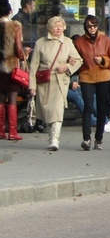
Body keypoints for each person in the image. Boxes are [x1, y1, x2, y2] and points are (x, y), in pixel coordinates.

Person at [29, 16, 82, 151]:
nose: (58, 28)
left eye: (61, 26)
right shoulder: (40, 43)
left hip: (60, 81)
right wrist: (32, 86)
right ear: (50, 28)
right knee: (47, 112)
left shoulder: (68, 42)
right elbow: (33, 66)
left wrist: (67, 67)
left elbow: (78, 59)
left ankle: (54, 140)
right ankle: (50, 138)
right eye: (55, 26)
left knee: (57, 110)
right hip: (44, 82)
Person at [72, 15, 110, 150]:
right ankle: (86, 139)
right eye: (89, 26)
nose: (92, 28)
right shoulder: (79, 42)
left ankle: (99, 139)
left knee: (102, 107)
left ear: (98, 26)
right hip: (86, 75)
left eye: (94, 25)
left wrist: (103, 60)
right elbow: (75, 58)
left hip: (104, 76)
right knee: (88, 106)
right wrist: (73, 62)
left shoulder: (106, 40)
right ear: (85, 27)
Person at [0, 0, 28, 141]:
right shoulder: (15, 26)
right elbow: (18, 49)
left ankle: (0, 131)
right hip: (10, 66)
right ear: (10, 11)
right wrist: (24, 54)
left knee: (0, 98)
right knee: (12, 98)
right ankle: (12, 131)